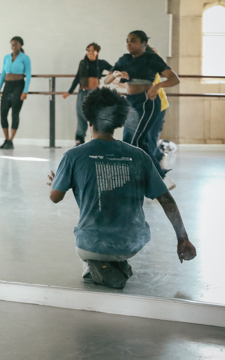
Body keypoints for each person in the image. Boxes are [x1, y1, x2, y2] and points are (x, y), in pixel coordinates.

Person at [47, 88, 196, 289]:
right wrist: (183, 238)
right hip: (131, 244)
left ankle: (95, 266)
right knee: (118, 244)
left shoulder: (73, 156)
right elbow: (166, 200)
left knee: (90, 248)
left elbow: (55, 198)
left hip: (92, 245)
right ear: (118, 121)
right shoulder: (139, 155)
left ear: (89, 119)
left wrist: (58, 182)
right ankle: (116, 262)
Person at [104, 30, 179, 190]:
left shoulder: (152, 59)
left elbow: (174, 78)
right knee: (135, 142)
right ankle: (159, 179)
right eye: (127, 40)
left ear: (143, 43)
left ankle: (143, 180)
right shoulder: (124, 59)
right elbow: (107, 79)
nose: (129, 43)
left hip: (147, 102)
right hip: (130, 102)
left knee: (135, 142)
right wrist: (116, 73)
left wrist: (157, 86)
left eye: (133, 40)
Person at [62, 43, 112, 146]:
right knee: (81, 116)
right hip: (83, 92)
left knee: (95, 116)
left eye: (92, 51)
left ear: (97, 52)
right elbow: (77, 78)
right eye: (88, 50)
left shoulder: (101, 63)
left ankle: (97, 139)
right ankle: (79, 140)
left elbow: (113, 69)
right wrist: (69, 92)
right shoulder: (83, 63)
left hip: (95, 94)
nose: (90, 53)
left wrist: (114, 76)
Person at [0, 36, 31, 149]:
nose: (13, 46)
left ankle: (11, 139)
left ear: (21, 45)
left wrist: (25, 91)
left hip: (18, 85)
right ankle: (6, 139)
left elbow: (29, 74)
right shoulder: (6, 57)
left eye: (15, 44)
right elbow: (3, 73)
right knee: (3, 113)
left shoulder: (25, 58)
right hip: (7, 86)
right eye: (12, 44)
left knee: (15, 113)